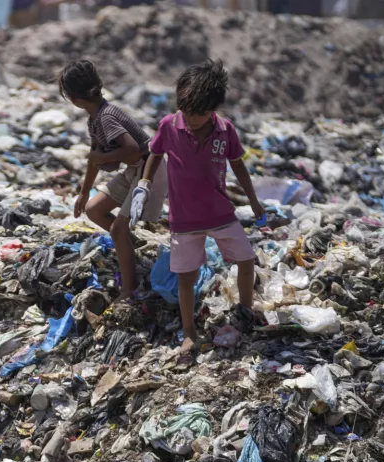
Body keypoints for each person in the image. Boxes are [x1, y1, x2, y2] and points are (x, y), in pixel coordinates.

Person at [139, 59, 266, 355]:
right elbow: (154, 155)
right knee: (187, 276)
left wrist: (254, 201)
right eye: (186, 111)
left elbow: (239, 167)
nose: (190, 119)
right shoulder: (169, 125)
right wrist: (144, 184)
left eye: (197, 114)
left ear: (212, 109)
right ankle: (188, 331)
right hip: (184, 219)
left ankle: (244, 312)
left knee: (246, 261)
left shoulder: (225, 130)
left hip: (220, 212)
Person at [58, 60, 169, 300]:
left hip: (150, 170)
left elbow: (133, 150)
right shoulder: (95, 119)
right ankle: (127, 245)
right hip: (134, 170)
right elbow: (93, 158)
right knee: (94, 209)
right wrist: (84, 192)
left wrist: (103, 156)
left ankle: (128, 291)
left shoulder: (106, 117)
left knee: (118, 228)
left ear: (73, 99)